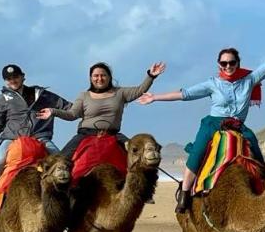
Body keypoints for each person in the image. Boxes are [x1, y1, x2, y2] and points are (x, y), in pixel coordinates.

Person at [137, 33, 265, 213]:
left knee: (256, 152)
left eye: (231, 63)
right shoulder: (212, 84)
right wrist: (155, 97)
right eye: (224, 63)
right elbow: (185, 94)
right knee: (198, 152)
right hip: (214, 123)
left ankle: (263, 190)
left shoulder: (249, 80)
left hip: (238, 125)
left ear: (237, 63)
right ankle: (184, 194)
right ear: (219, 65)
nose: (228, 66)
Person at [0, 64, 71, 224]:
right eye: (9, 79)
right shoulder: (0, 101)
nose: (13, 80)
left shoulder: (44, 96)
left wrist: (59, 111)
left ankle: (73, 207)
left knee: (63, 163)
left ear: (23, 76)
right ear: (5, 82)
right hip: (12, 139)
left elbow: (71, 109)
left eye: (15, 77)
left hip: (40, 138)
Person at [37, 61, 167, 159]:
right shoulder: (84, 95)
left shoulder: (120, 93)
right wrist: (53, 111)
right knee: (61, 161)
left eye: (103, 75)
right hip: (85, 134)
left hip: (113, 134)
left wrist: (151, 76)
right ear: (91, 78)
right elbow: (72, 114)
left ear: (109, 77)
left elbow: (140, 90)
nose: (99, 78)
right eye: (96, 76)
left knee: (139, 157)